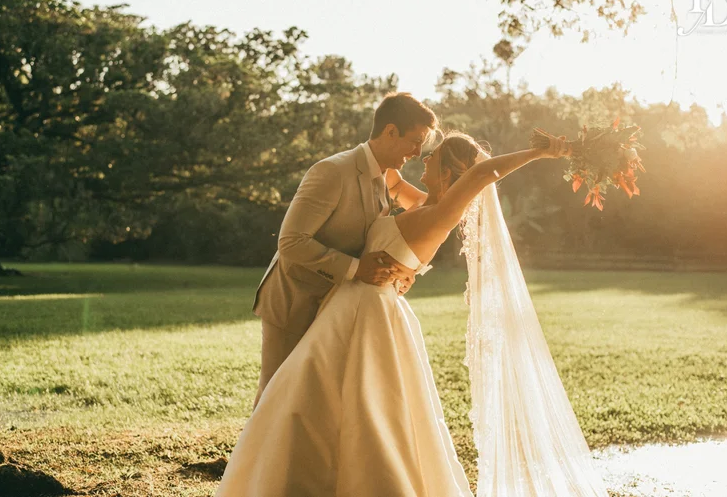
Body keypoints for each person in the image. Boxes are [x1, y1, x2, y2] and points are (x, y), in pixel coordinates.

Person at [216, 132, 609, 496]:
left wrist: (542, 151)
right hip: (353, 306)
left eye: (433, 156)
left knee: (360, 406)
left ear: (453, 170)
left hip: (368, 312)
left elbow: (485, 172)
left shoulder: (445, 211)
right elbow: (383, 177)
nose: (423, 159)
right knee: (313, 395)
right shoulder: (425, 204)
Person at [251, 92, 437, 407]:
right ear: (390, 131)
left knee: (316, 398)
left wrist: (406, 270)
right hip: (295, 299)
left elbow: (424, 211)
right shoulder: (332, 171)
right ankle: (250, 458)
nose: (418, 152)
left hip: (336, 305)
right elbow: (291, 242)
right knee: (276, 395)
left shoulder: (387, 176)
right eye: (415, 141)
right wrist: (356, 268)